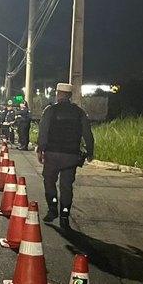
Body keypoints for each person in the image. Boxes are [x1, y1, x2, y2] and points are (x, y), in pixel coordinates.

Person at [36, 83, 95, 228]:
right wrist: (90, 151)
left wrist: (40, 149)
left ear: (58, 94)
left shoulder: (50, 111)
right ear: (69, 96)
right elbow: (87, 134)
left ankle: (52, 208)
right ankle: (64, 215)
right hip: (71, 156)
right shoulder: (79, 112)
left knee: (49, 182)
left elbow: (43, 131)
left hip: (52, 155)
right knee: (66, 187)